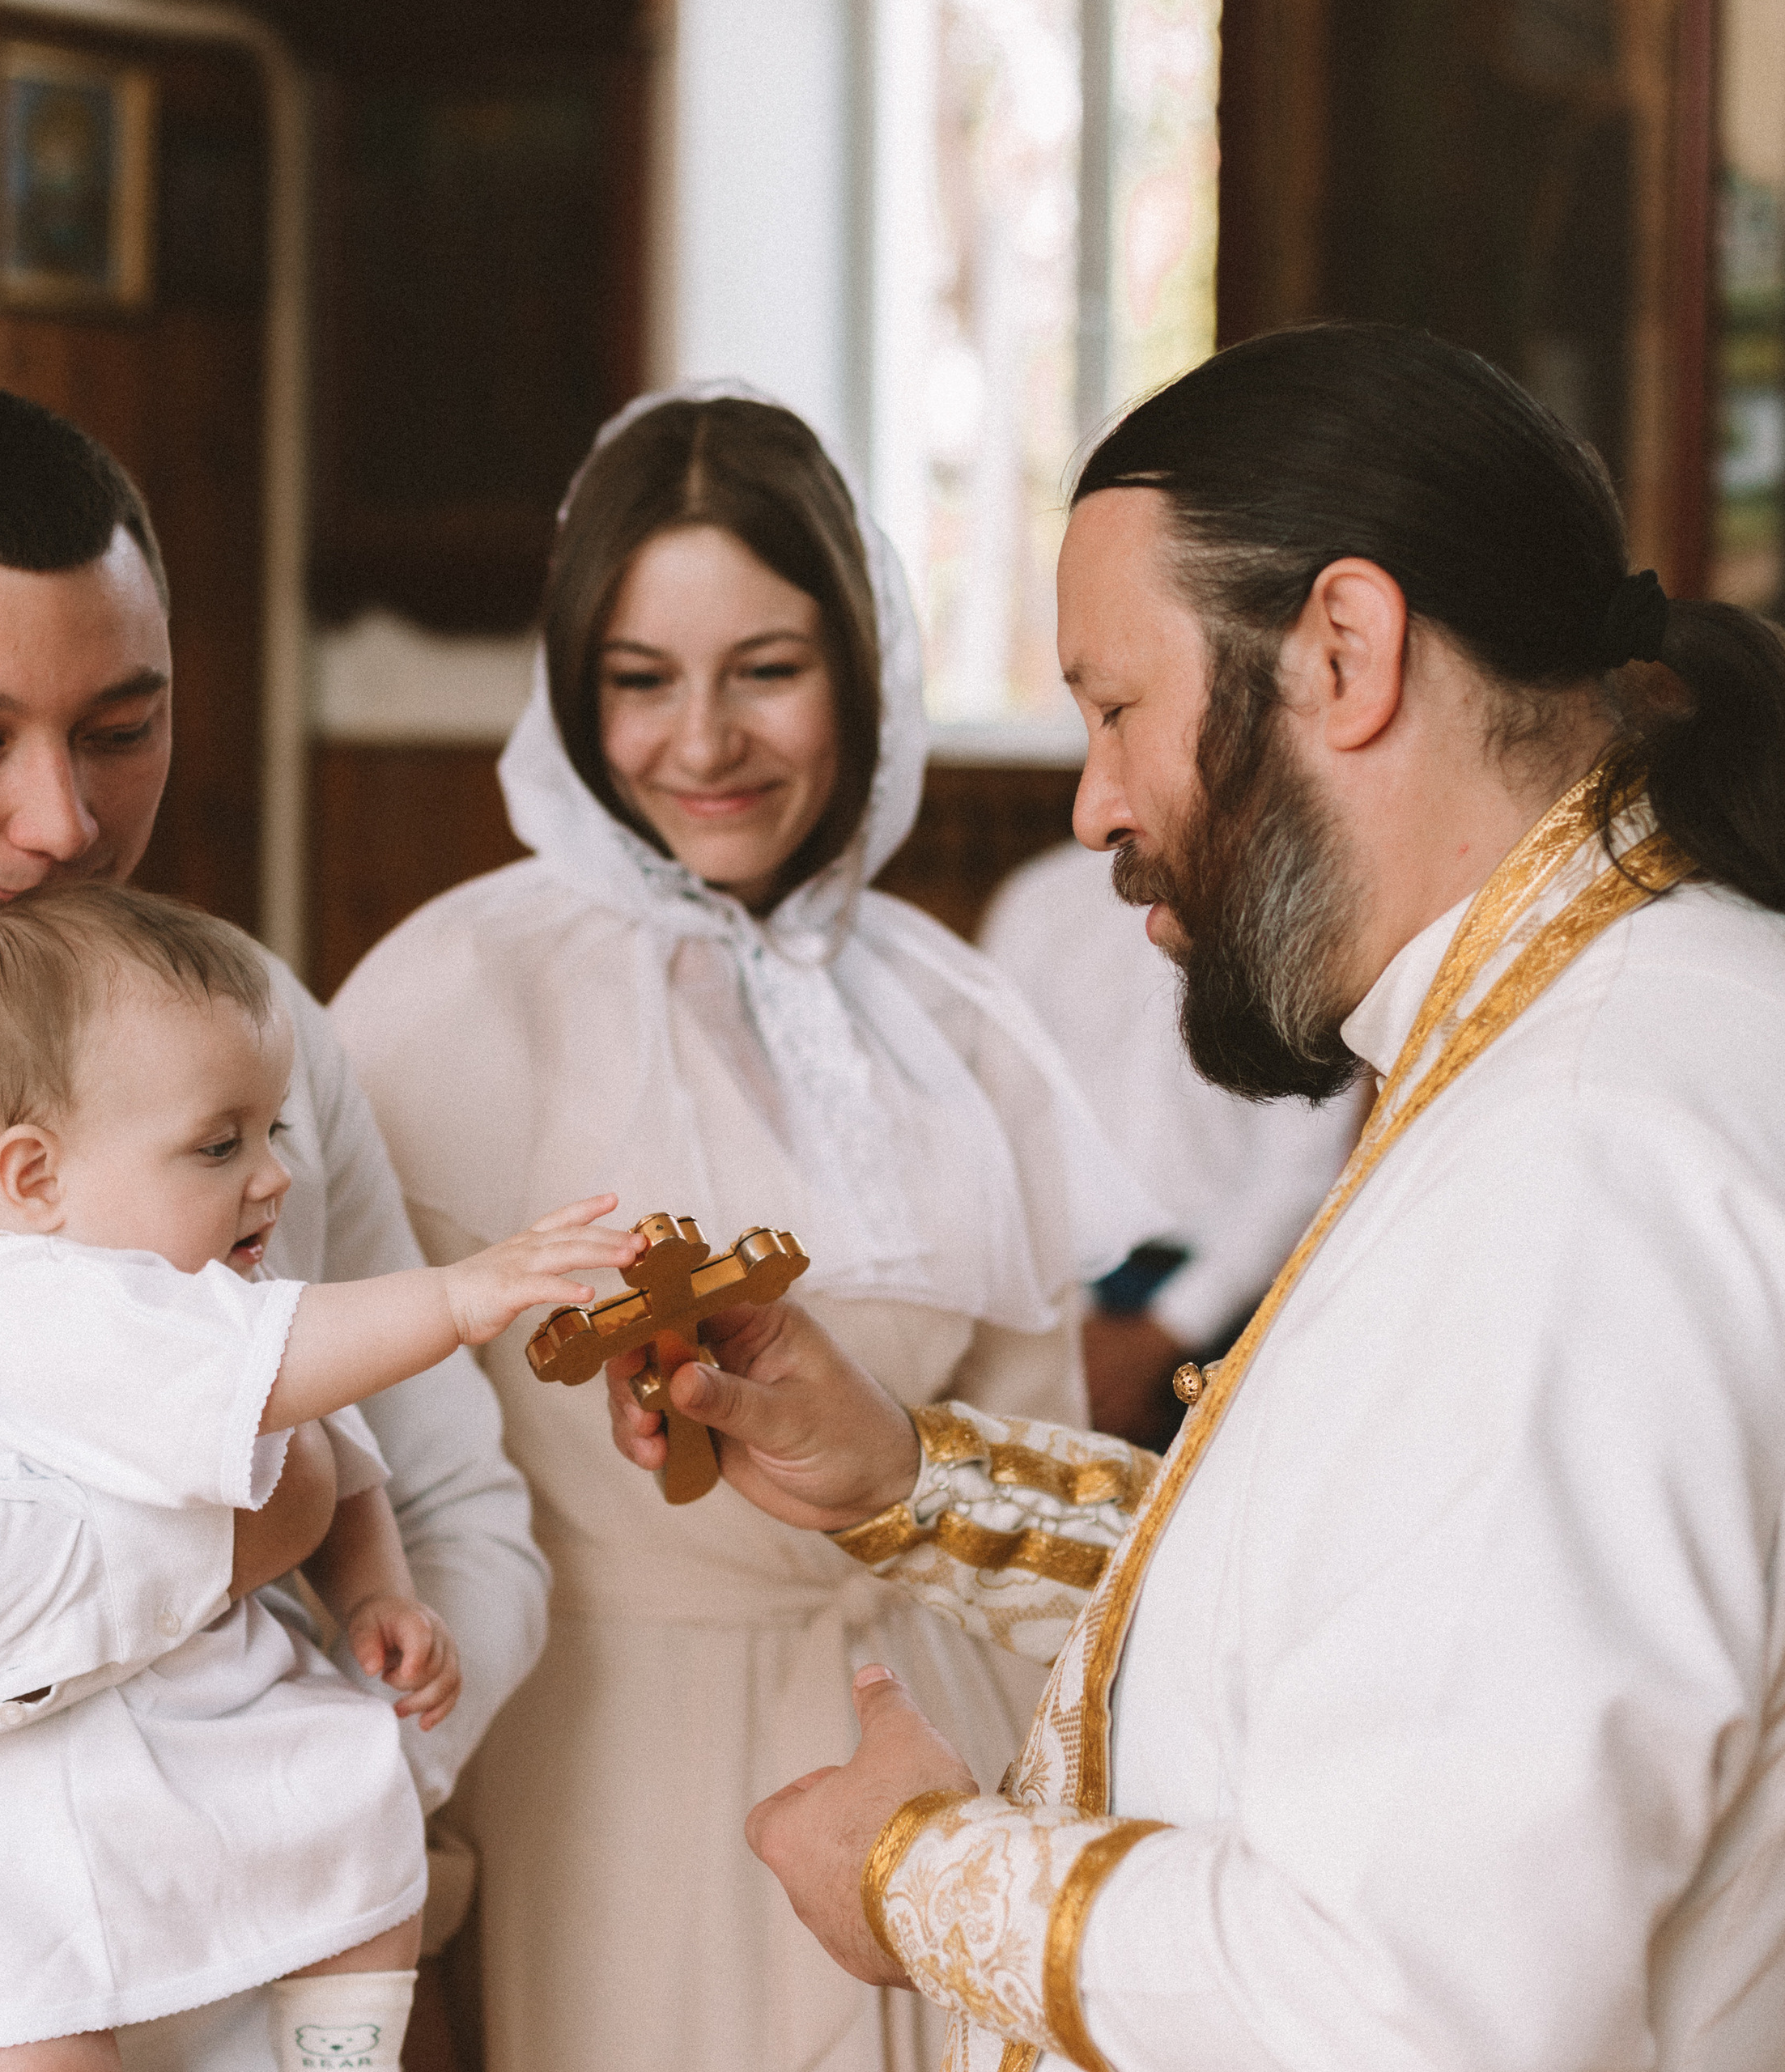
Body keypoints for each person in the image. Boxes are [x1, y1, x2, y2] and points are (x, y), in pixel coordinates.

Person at [605, 326, 1785, 2071]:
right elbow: (1371, 1608)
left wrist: (914, 1876)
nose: (1091, 801)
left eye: (1113, 706)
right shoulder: (1614, 1013)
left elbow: (1407, 2003)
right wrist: (910, 1479)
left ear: (1342, 651)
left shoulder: (1576, 1159)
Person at [0, 385, 548, 2072]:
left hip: (273, 1976)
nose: (64, 822)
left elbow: (459, 1496)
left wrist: (335, 1786)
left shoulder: (248, 1023)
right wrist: (231, 1535)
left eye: (121, 727)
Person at [329, 386, 1160, 2072]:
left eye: (764, 670)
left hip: (937, 1735)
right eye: (639, 680)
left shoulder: (955, 1015)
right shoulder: (438, 999)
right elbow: (364, 1461)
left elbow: (1043, 1439)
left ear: (861, 669)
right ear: (573, 691)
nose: (698, 741)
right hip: (608, 1753)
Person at [0, 881, 636, 2072]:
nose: (272, 1179)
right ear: (34, 1177)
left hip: (160, 1726)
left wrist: (377, 1594)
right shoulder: (25, 1298)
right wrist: (462, 1297)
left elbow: (341, 1454)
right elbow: (295, 1374)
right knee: (19, 2017)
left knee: (362, 1819)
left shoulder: (215, 1313)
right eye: (219, 1145)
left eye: (274, 1132)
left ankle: (336, 2054)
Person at [980, 845, 1362, 1446]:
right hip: (1058, 1298)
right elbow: (1005, 1130)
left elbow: (1304, 1168)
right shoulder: (1038, 901)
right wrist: (1072, 1323)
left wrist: (1168, 1332)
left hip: (1240, 1308)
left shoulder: (1295, 904)